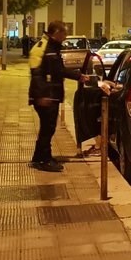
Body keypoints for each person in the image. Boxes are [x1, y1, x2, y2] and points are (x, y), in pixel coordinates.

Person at [28, 20, 88, 172]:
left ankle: (39, 157)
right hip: (46, 96)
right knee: (48, 128)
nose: (66, 36)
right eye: (64, 33)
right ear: (57, 33)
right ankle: (44, 160)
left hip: (49, 95)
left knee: (47, 128)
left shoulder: (49, 47)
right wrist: (41, 95)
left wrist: (78, 76)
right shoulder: (46, 49)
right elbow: (39, 74)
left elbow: (57, 70)